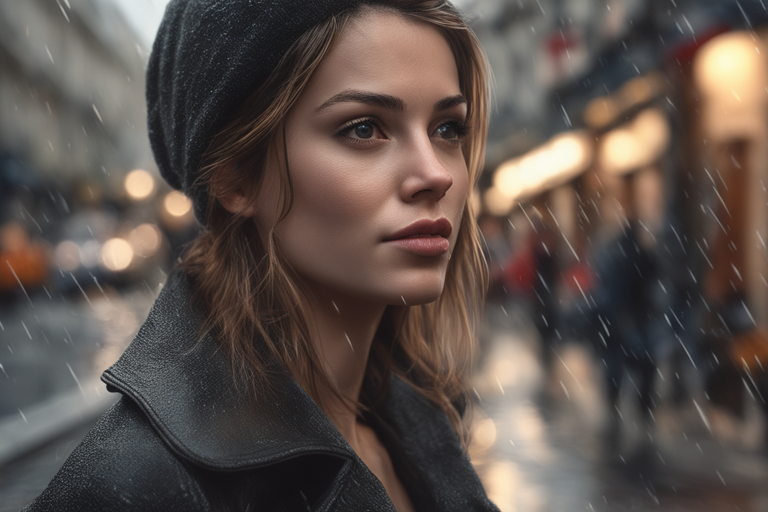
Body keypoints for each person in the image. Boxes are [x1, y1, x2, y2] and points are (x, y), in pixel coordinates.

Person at [24, 1, 498, 510]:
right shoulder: (138, 486)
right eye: (364, 128)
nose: (436, 174)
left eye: (447, 128)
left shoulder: (423, 423)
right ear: (236, 177)